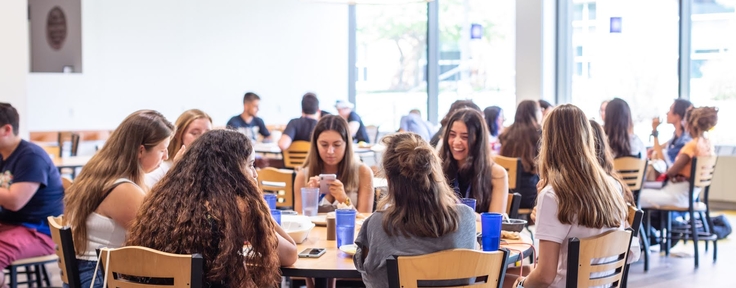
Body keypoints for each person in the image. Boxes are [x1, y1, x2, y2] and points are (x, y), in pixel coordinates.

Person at [127, 130, 298, 288]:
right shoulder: (237, 208)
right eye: (250, 165)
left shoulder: (164, 200)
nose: (255, 174)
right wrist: (259, 204)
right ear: (232, 169)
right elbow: (289, 254)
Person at [510, 104, 637, 288]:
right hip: (603, 285)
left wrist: (520, 285)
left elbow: (545, 276)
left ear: (549, 141)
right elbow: (631, 252)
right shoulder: (613, 186)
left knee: (499, 278)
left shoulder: (554, 195)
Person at [64, 110, 174, 288]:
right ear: (140, 150)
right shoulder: (122, 189)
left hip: (89, 270)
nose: (166, 156)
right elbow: (160, 235)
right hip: (101, 276)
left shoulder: (102, 174)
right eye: (162, 149)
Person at [354, 133, 477, 288]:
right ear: (435, 171)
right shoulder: (466, 218)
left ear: (389, 179)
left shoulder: (379, 224)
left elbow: (367, 273)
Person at [0, 103, 64, 287]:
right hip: (12, 225)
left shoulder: (31, 156)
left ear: (6, 129)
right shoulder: (3, 154)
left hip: (39, 232)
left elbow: (14, 201)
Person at [639, 107, 718, 209]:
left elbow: (671, 172)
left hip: (677, 196)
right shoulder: (707, 145)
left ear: (689, 124)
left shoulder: (691, 146)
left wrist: (670, 173)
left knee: (635, 196)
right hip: (691, 195)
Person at [294, 115, 374, 213]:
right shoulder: (303, 175)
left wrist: (344, 199)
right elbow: (300, 223)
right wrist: (311, 197)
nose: (330, 151)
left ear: (347, 144)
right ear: (316, 144)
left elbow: (364, 223)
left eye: (337, 145)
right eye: (324, 145)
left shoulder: (363, 172)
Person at [440, 108, 508, 213]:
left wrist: (468, 215)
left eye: (465, 137)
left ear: (478, 140)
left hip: (478, 229)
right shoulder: (439, 169)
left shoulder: (497, 174)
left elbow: (494, 222)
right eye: (452, 135)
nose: (456, 142)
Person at [145, 109, 212, 188]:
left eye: (208, 133)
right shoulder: (161, 169)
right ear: (178, 135)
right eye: (195, 133)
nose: (203, 138)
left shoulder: (210, 170)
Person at [498, 100, 541, 209]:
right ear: (535, 113)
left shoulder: (506, 133)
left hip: (506, 194)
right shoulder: (538, 134)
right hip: (530, 195)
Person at [650, 99, 693, 165]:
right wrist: (654, 149)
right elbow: (664, 146)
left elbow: (661, 159)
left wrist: (655, 131)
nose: (667, 113)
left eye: (670, 110)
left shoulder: (684, 141)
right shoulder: (678, 136)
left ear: (677, 115)